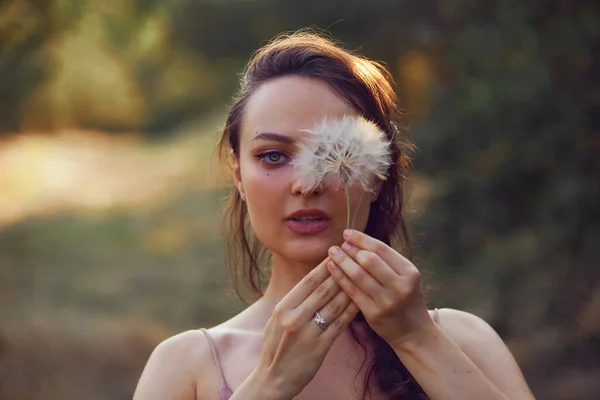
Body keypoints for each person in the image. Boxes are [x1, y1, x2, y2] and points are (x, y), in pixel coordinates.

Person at [133, 30, 535, 400]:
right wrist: (268, 385)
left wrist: (417, 339)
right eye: (274, 156)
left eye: (335, 154)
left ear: (377, 174)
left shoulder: (462, 341)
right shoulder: (186, 366)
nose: (307, 185)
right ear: (238, 175)